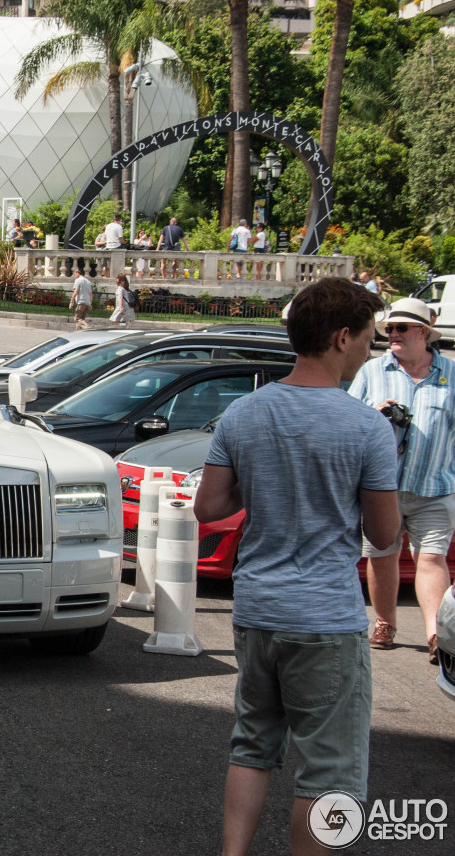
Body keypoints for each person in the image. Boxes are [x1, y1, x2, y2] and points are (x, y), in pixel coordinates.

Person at [194, 277, 397, 856]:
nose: (370, 349)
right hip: (326, 618)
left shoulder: (243, 413)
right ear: (340, 337)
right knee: (329, 769)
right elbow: (383, 536)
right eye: (367, 337)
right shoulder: (367, 427)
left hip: (257, 608)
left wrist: (264, 487)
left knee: (253, 744)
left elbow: (208, 507)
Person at [348, 297, 455, 665]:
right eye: (389, 328)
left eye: (401, 328)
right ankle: (384, 623)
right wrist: (375, 416)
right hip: (383, 488)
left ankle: (435, 635)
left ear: (423, 333)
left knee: (431, 559)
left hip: (435, 485)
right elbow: (349, 421)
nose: (392, 334)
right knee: (382, 557)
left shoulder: (451, 374)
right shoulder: (372, 372)